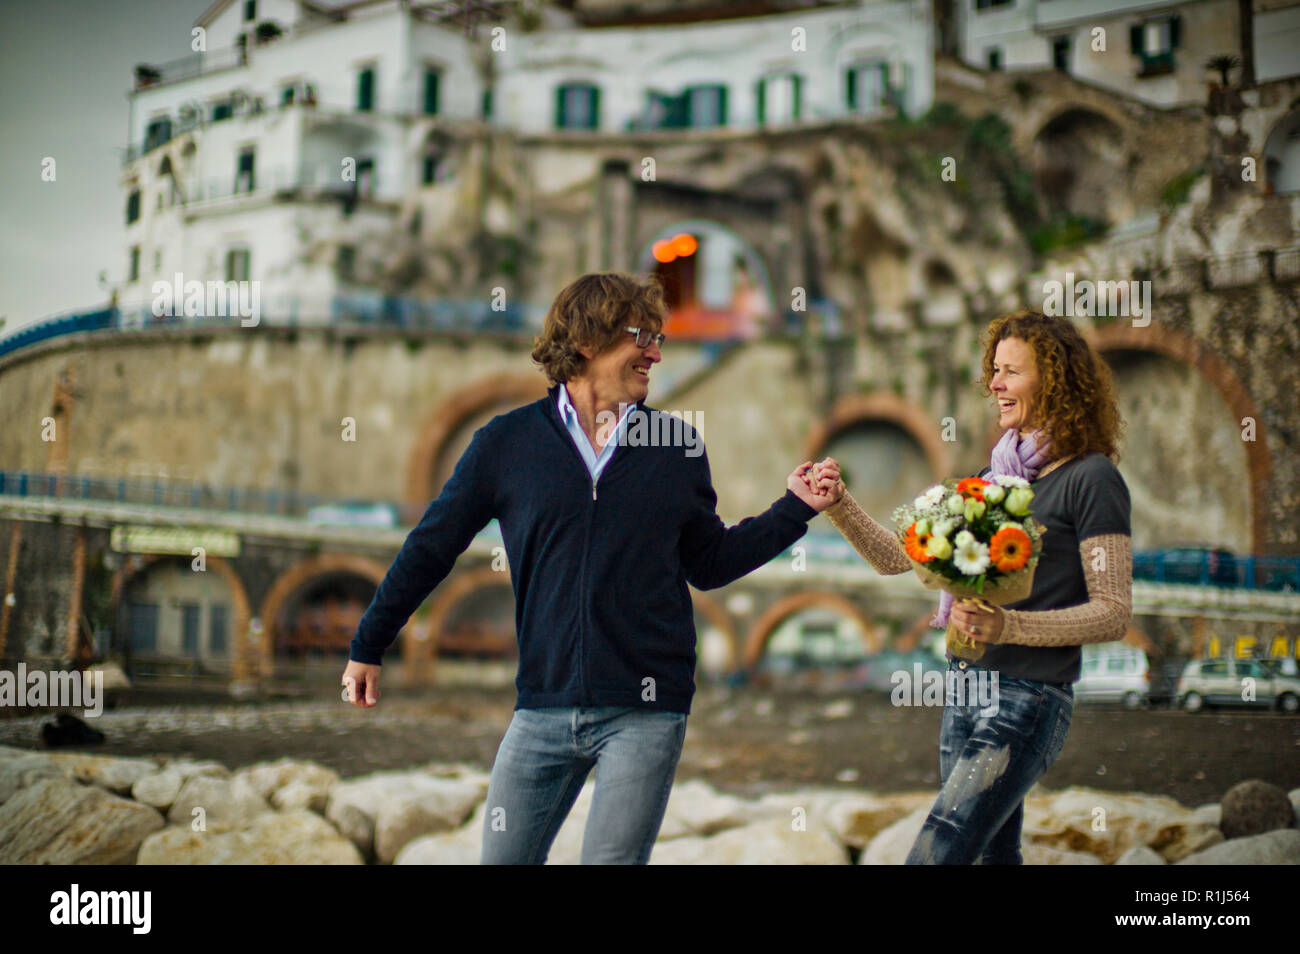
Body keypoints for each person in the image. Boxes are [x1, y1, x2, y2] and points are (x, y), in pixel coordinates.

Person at [341, 271, 837, 864]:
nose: (655, 353)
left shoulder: (676, 447)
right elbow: (430, 546)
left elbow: (708, 563)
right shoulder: (505, 443)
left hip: (645, 709)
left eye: (659, 339)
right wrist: (369, 643)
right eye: (641, 336)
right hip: (541, 707)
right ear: (585, 340)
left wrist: (793, 511)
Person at [805, 309, 1132, 864]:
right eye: (994, 371)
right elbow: (895, 558)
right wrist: (838, 503)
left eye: (1011, 372)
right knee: (989, 859)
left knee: (935, 855)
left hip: (1028, 698)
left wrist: (1009, 625)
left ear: (1053, 379)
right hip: (964, 690)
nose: (995, 385)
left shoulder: (1092, 479)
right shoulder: (994, 479)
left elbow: (1112, 612)